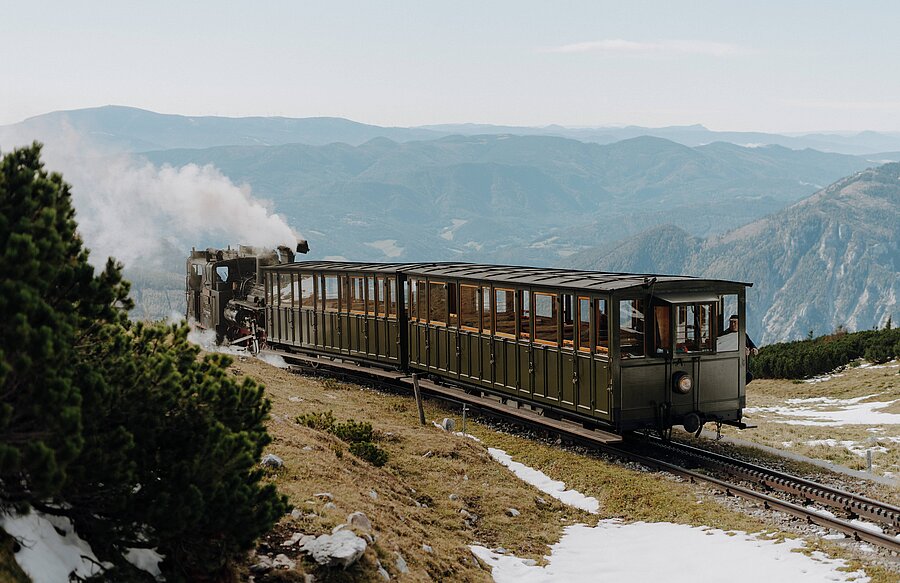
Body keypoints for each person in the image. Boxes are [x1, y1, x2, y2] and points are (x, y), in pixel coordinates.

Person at [717, 314, 758, 383]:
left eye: (735, 322)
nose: (733, 324)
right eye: (731, 322)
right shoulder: (724, 335)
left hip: (742, 366)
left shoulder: (743, 334)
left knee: (748, 376)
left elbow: (752, 345)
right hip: (729, 367)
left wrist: (754, 350)